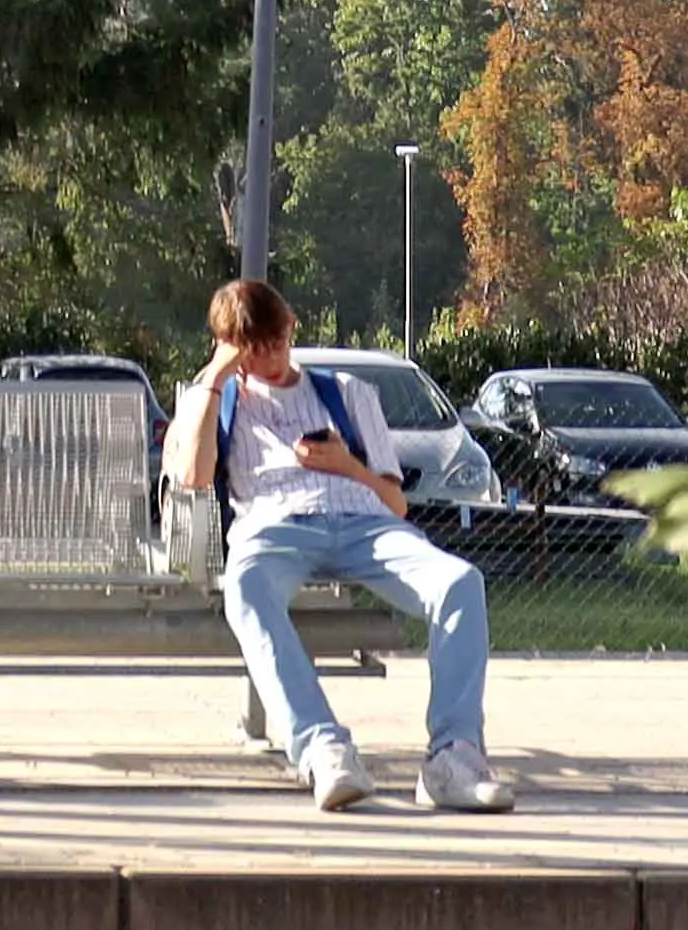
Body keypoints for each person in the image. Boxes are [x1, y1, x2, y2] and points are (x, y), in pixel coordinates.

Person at [164, 274, 506, 813]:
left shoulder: (347, 392)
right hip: (274, 529)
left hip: (367, 525)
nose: (268, 359)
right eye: (252, 351)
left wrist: (349, 466)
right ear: (230, 348)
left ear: (291, 327)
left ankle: (453, 758)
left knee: (460, 582)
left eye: (276, 342)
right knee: (247, 586)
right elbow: (194, 476)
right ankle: (323, 748)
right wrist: (214, 380)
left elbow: (397, 506)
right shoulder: (216, 399)